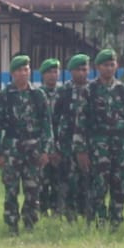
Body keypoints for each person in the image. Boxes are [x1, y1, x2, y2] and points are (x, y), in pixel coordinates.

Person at [74, 48, 124, 231]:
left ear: (117, 66)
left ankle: (116, 221)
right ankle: (100, 220)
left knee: (120, 184)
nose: (109, 68)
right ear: (98, 67)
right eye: (105, 65)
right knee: (99, 185)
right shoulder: (89, 91)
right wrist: (81, 150)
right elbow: (81, 122)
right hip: (98, 145)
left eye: (112, 65)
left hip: (120, 145)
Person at [0, 55, 52, 234]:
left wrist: (46, 150)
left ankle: (30, 220)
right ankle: (11, 223)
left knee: (33, 187)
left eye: (26, 69)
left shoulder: (38, 95)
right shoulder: (4, 96)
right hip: (12, 147)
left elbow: (47, 124)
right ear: (12, 73)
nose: (23, 73)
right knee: (11, 188)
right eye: (19, 70)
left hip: (34, 146)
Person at [51, 54, 90, 222]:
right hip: (66, 144)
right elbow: (53, 120)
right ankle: (68, 213)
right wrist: (54, 147)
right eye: (78, 70)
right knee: (67, 179)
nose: (81, 73)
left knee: (88, 180)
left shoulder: (93, 89)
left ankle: (87, 212)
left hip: (89, 145)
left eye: (84, 69)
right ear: (71, 71)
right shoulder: (63, 92)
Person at [36, 59, 61, 217]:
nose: (52, 75)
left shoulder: (64, 93)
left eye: (55, 72)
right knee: (42, 181)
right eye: (49, 72)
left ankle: (58, 210)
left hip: (61, 142)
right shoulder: (37, 94)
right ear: (43, 75)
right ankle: (42, 210)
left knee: (59, 180)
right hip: (42, 144)